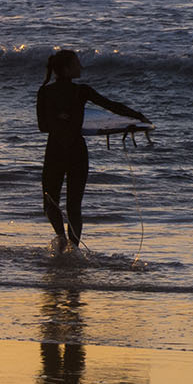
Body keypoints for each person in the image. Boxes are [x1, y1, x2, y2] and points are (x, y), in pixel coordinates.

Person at [35, 49, 147, 248]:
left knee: (51, 202)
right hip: (76, 151)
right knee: (72, 206)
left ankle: (64, 241)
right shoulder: (77, 91)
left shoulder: (49, 92)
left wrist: (137, 117)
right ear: (67, 68)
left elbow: (44, 126)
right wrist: (138, 116)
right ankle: (69, 245)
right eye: (77, 63)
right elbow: (111, 106)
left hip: (56, 150)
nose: (81, 66)